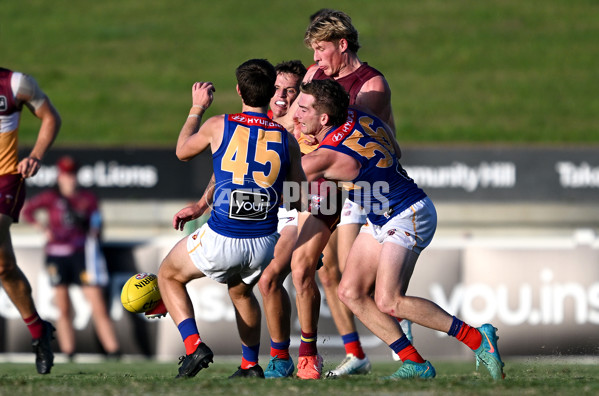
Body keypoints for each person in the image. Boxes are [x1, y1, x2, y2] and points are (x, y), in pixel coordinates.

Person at [296, 79, 505, 380]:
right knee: (350, 292)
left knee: (388, 300)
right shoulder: (360, 115)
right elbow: (395, 148)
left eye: (303, 110)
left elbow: (282, 179)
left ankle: (477, 339)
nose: (297, 115)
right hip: (383, 215)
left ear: (324, 118)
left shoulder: (328, 156)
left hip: (408, 214)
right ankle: (416, 363)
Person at [157, 59, 306, 379]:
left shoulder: (219, 124)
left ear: (239, 90)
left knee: (168, 275)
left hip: (223, 238)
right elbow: (298, 197)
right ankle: (250, 365)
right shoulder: (286, 137)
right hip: (264, 245)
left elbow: (183, 151)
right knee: (240, 290)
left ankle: (194, 345)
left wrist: (197, 108)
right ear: (270, 94)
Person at [286, 9, 402, 378]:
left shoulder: (372, 84)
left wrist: (305, 136)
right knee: (315, 271)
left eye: (321, 50)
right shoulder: (314, 75)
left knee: (353, 279)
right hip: (325, 182)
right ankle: (341, 354)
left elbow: (348, 140)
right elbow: (294, 121)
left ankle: (399, 332)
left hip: (361, 185)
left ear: (342, 44)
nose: (316, 59)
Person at [22, 155, 121, 360]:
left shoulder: (87, 198)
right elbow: (28, 211)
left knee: (97, 303)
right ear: (60, 176)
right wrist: (43, 229)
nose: (70, 179)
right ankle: (68, 351)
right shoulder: (50, 197)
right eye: (66, 174)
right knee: (63, 306)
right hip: (57, 256)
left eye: (73, 174)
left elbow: (97, 226)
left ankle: (113, 349)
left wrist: (93, 233)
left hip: (82, 255)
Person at [0, 67, 60, 374]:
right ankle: (39, 332)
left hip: (5, 178)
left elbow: (51, 117)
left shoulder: (15, 84)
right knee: (4, 267)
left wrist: (35, 154)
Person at [255, 60, 308, 379]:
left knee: (271, 278)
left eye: (292, 90)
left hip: (298, 210)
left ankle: (288, 357)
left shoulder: (302, 120)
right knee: (258, 282)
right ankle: (274, 358)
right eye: (277, 88)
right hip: (266, 211)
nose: (282, 96)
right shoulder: (256, 119)